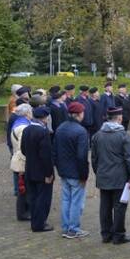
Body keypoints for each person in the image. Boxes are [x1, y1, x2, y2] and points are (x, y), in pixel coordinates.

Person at [92, 107, 130, 244]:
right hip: (119, 177)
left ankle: (106, 234)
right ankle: (118, 235)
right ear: (119, 118)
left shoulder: (97, 135)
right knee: (119, 207)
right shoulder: (123, 136)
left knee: (104, 206)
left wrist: (98, 172)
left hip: (103, 175)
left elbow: (94, 158)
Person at [53, 101, 90, 239]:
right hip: (75, 172)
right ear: (79, 114)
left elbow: (55, 151)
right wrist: (84, 175)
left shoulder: (60, 127)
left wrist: (58, 168)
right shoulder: (81, 131)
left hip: (63, 171)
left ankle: (66, 226)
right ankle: (73, 229)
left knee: (66, 200)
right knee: (76, 201)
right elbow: (82, 156)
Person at [20, 106, 55, 232]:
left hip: (30, 169)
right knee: (43, 199)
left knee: (33, 198)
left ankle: (35, 222)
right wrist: (49, 173)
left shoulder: (27, 129)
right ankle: (40, 224)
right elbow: (46, 155)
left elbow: (23, 150)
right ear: (45, 118)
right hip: (42, 172)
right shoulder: (43, 132)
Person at [10, 103, 32, 220]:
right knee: (24, 190)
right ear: (27, 113)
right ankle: (23, 213)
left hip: (17, 159)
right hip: (21, 163)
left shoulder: (17, 123)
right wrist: (24, 167)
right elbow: (22, 149)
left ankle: (23, 212)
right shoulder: (23, 128)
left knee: (23, 190)